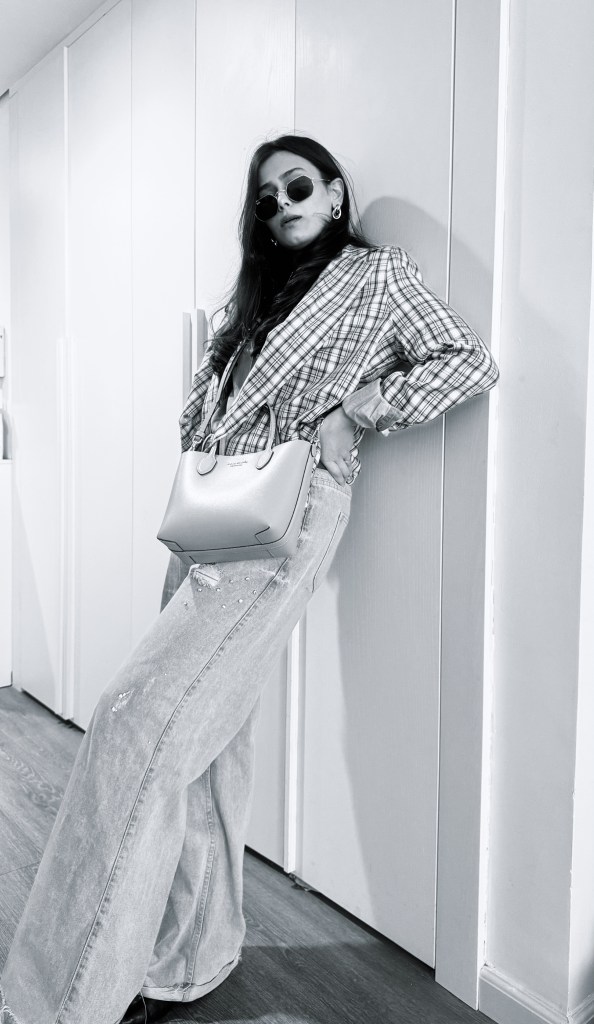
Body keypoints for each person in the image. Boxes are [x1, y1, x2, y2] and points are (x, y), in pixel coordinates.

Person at [0, 134, 499, 1024]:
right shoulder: (258, 297)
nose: (282, 205)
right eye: (265, 199)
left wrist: (359, 410)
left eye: (297, 186)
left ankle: (56, 1003)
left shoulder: (377, 275)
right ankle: (192, 958)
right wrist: (205, 423)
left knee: (133, 724)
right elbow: (207, 400)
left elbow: (468, 361)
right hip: (213, 513)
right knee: (205, 741)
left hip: (290, 512)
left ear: (335, 192)